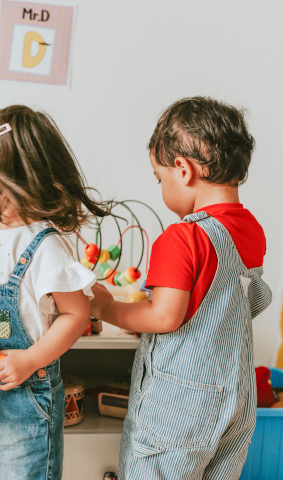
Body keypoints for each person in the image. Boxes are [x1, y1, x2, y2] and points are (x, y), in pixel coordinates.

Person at [91, 97, 272, 479]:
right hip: (237, 404)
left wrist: (106, 309)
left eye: (159, 179)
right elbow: (224, 306)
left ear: (183, 169)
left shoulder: (183, 237)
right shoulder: (252, 231)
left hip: (182, 407)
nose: (161, 189)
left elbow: (163, 316)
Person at [0, 105, 109, 480]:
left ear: (2, 174)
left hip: (26, 398)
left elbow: (76, 315)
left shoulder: (46, 246)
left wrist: (31, 359)